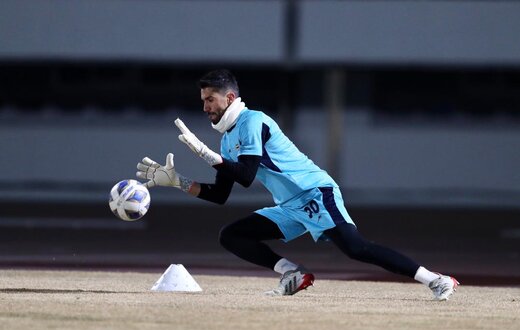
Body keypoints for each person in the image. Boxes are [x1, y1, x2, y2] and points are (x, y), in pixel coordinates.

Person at [136, 69, 459, 300]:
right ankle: (293, 273)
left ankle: (436, 280)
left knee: (355, 247)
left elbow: (246, 176)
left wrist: (206, 155)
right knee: (231, 235)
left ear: (230, 97)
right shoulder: (227, 140)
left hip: (314, 190)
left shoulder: (252, 121)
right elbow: (220, 194)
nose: (205, 107)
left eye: (210, 99)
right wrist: (179, 182)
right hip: (290, 204)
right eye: (203, 100)